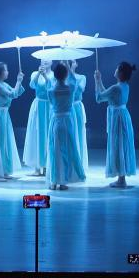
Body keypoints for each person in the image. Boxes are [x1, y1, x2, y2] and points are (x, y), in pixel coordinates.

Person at [94, 61, 137, 188]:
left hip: (118, 118)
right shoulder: (124, 86)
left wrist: (96, 81)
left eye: (117, 68)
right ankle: (121, 177)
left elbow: (99, 98)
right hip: (122, 116)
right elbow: (107, 94)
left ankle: (121, 179)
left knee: (118, 145)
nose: (115, 70)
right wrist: (99, 80)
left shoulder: (116, 88)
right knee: (122, 144)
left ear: (121, 73)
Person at [46, 62, 86, 190]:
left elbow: (51, 103)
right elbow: (73, 79)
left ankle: (54, 181)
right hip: (67, 120)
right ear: (66, 75)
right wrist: (68, 67)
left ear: (55, 75)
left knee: (55, 150)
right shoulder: (71, 88)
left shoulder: (51, 91)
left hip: (56, 120)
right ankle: (63, 182)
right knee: (66, 149)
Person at [0, 63, 25, 179]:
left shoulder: (4, 84)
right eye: (6, 70)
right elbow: (12, 94)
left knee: (5, 142)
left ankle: (4, 170)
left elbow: (16, 93)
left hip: (4, 115)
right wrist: (18, 81)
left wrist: (20, 81)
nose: (8, 72)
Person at [22, 59, 53, 177]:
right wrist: (39, 73)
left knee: (47, 135)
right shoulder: (35, 73)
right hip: (38, 105)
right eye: (43, 59)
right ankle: (37, 167)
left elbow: (52, 87)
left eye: (47, 59)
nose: (45, 61)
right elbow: (32, 85)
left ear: (52, 61)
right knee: (37, 134)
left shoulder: (53, 75)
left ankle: (46, 167)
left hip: (49, 106)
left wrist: (45, 76)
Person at [67, 59, 90, 174]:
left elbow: (79, 88)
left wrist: (71, 72)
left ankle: (79, 163)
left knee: (79, 134)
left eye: (73, 62)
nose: (72, 63)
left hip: (77, 107)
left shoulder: (82, 77)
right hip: (67, 108)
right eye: (70, 62)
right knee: (70, 135)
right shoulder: (63, 78)